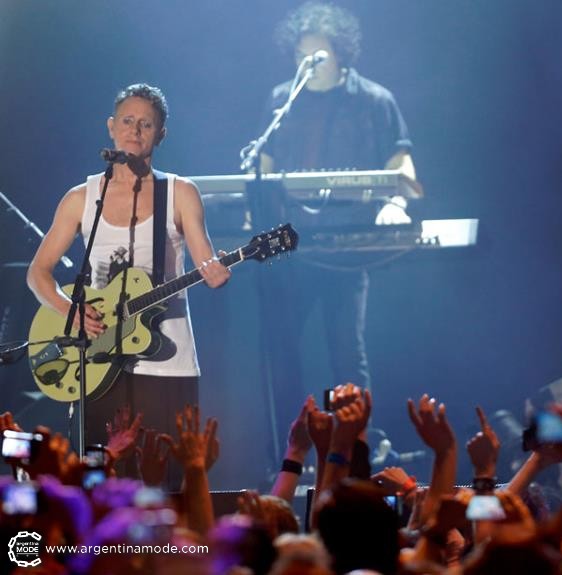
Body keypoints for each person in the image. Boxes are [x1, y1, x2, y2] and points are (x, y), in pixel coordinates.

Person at [26, 83, 230, 483]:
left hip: (167, 361)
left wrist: (216, 271)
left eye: (146, 124)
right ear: (111, 126)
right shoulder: (81, 197)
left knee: (167, 483)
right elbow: (38, 273)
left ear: (161, 134)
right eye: (127, 121)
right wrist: (70, 310)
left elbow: (206, 260)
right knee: (102, 480)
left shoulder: (180, 192)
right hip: (98, 360)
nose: (135, 130)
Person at [254, 2, 415, 419]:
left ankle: (353, 442)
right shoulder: (282, 101)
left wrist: (395, 203)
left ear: (341, 52)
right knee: (282, 348)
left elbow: (402, 167)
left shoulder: (374, 100)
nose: (308, 64)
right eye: (301, 56)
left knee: (345, 350)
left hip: (348, 245)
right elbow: (263, 169)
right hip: (292, 245)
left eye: (318, 56)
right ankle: (292, 443)